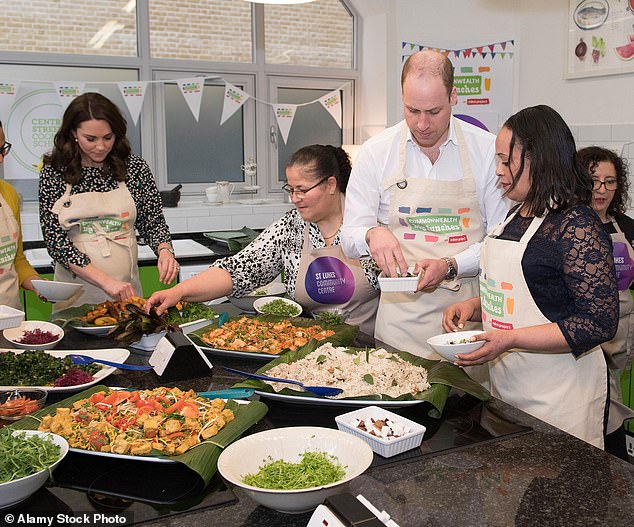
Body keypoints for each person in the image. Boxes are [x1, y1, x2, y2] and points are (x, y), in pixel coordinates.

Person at [442, 105, 618, 449]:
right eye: (497, 160)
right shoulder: (514, 216)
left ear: (540, 159)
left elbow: (599, 322)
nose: (499, 171)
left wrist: (511, 339)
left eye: (507, 161)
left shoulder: (575, 224)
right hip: (509, 388)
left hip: (560, 398)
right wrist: (477, 306)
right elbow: (534, 290)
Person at [340, 49, 510, 358]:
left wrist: (450, 266)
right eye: (412, 110)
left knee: (464, 404)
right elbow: (349, 236)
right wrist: (371, 234)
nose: (421, 124)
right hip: (400, 323)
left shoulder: (486, 150)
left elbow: (498, 241)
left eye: (433, 111)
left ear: (453, 97)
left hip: (468, 318)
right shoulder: (376, 152)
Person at [146, 145, 380, 335]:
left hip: (373, 349)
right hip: (313, 345)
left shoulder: (370, 225)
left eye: (302, 190)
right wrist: (179, 291)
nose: (295, 198)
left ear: (330, 184)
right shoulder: (291, 228)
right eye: (291, 189)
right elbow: (238, 270)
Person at [39, 92, 179, 310]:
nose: (101, 147)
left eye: (108, 137)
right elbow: (56, 242)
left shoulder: (135, 169)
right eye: (90, 139)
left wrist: (164, 249)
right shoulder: (55, 172)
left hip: (126, 292)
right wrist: (106, 282)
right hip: (75, 295)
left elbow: (152, 221)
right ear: (73, 133)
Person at [577, 146, 634, 458]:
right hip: (588, 346)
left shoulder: (625, 227)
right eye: (594, 181)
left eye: (610, 182)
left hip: (621, 343)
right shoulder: (568, 229)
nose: (602, 190)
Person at [0, 120, 42, 309]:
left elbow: (16, 260)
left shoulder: (8, 194)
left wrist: (38, 284)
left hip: (11, 318)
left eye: (2, 149)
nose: (1, 159)